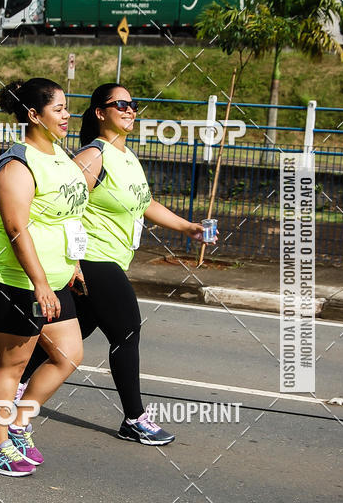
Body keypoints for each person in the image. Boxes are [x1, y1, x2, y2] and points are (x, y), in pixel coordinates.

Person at [19, 82, 207, 446]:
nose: (129, 109)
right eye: (119, 104)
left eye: (132, 104)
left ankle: (17, 383)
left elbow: (144, 203)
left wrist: (187, 227)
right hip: (92, 259)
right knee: (127, 330)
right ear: (100, 113)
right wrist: (71, 260)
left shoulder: (126, 156)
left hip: (113, 260)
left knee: (74, 334)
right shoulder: (92, 156)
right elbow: (66, 206)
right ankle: (135, 418)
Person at [0, 78, 89, 476]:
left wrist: (73, 263)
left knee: (68, 355)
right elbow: (16, 228)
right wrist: (41, 283)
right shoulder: (16, 164)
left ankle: (19, 423)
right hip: (14, 281)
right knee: (12, 366)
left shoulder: (61, 155)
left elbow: (70, 216)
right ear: (33, 114)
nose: (66, 115)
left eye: (66, 107)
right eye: (58, 109)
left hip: (55, 279)